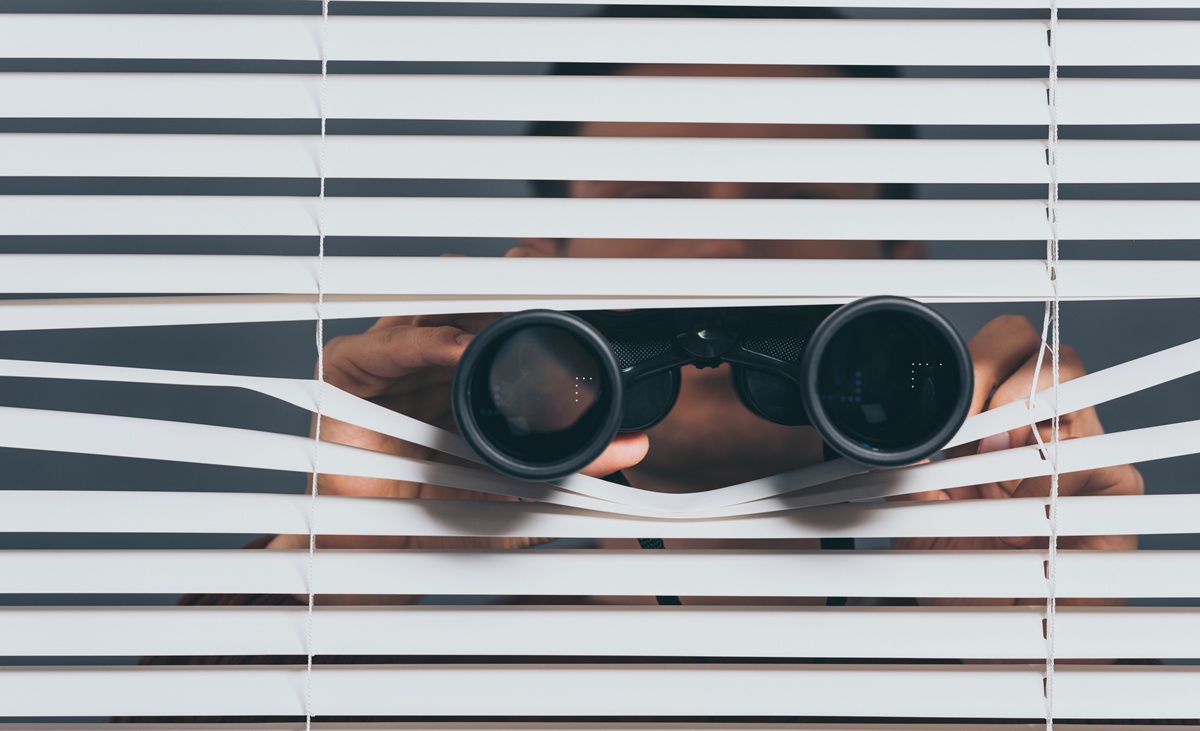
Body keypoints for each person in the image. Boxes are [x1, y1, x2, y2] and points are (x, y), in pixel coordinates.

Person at [263, 6, 1142, 611]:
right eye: (655, 204)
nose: (720, 255)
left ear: (895, 282)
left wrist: (1052, 651)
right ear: (538, 278)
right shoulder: (379, 724)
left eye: (792, 204)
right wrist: (335, 567)